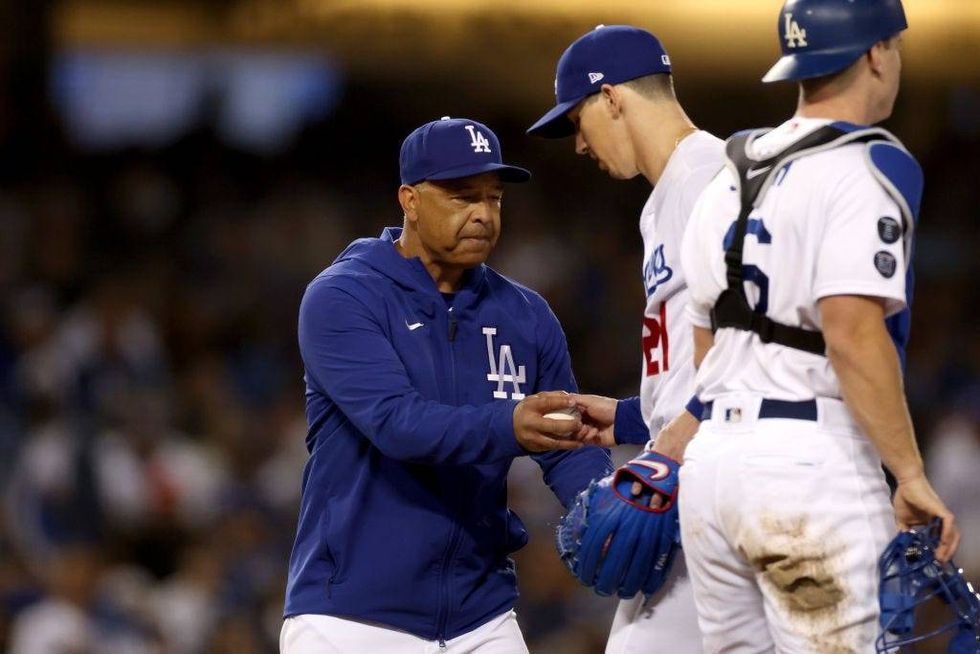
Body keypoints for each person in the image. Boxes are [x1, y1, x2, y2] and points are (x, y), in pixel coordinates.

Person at [678, 0, 960, 650]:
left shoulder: (726, 173)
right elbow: (851, 332)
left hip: (712, 471)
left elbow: (704, 343)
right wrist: (909, 474)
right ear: (875, 54)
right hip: (807, 470)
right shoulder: (866, 164)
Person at [279, 116, 613, 653]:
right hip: (352, 617)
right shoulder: (344, 297)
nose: (483, 213)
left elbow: (565, 439)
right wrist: (510, 426)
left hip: (482, 615)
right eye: (462, 196)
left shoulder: (525, 314)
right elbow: (397, 423)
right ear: (410, 200)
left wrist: (604, 505)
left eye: (493, 197)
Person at [527, 24, 724, 653]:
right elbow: (689, 366)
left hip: (720, 472)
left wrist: (673, 447)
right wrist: (628, 419)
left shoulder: (714, 178)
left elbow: (749, 344)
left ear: (612, 97)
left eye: (577, 121)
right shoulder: (661, 201)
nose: (579, 144)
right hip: (691, 466)